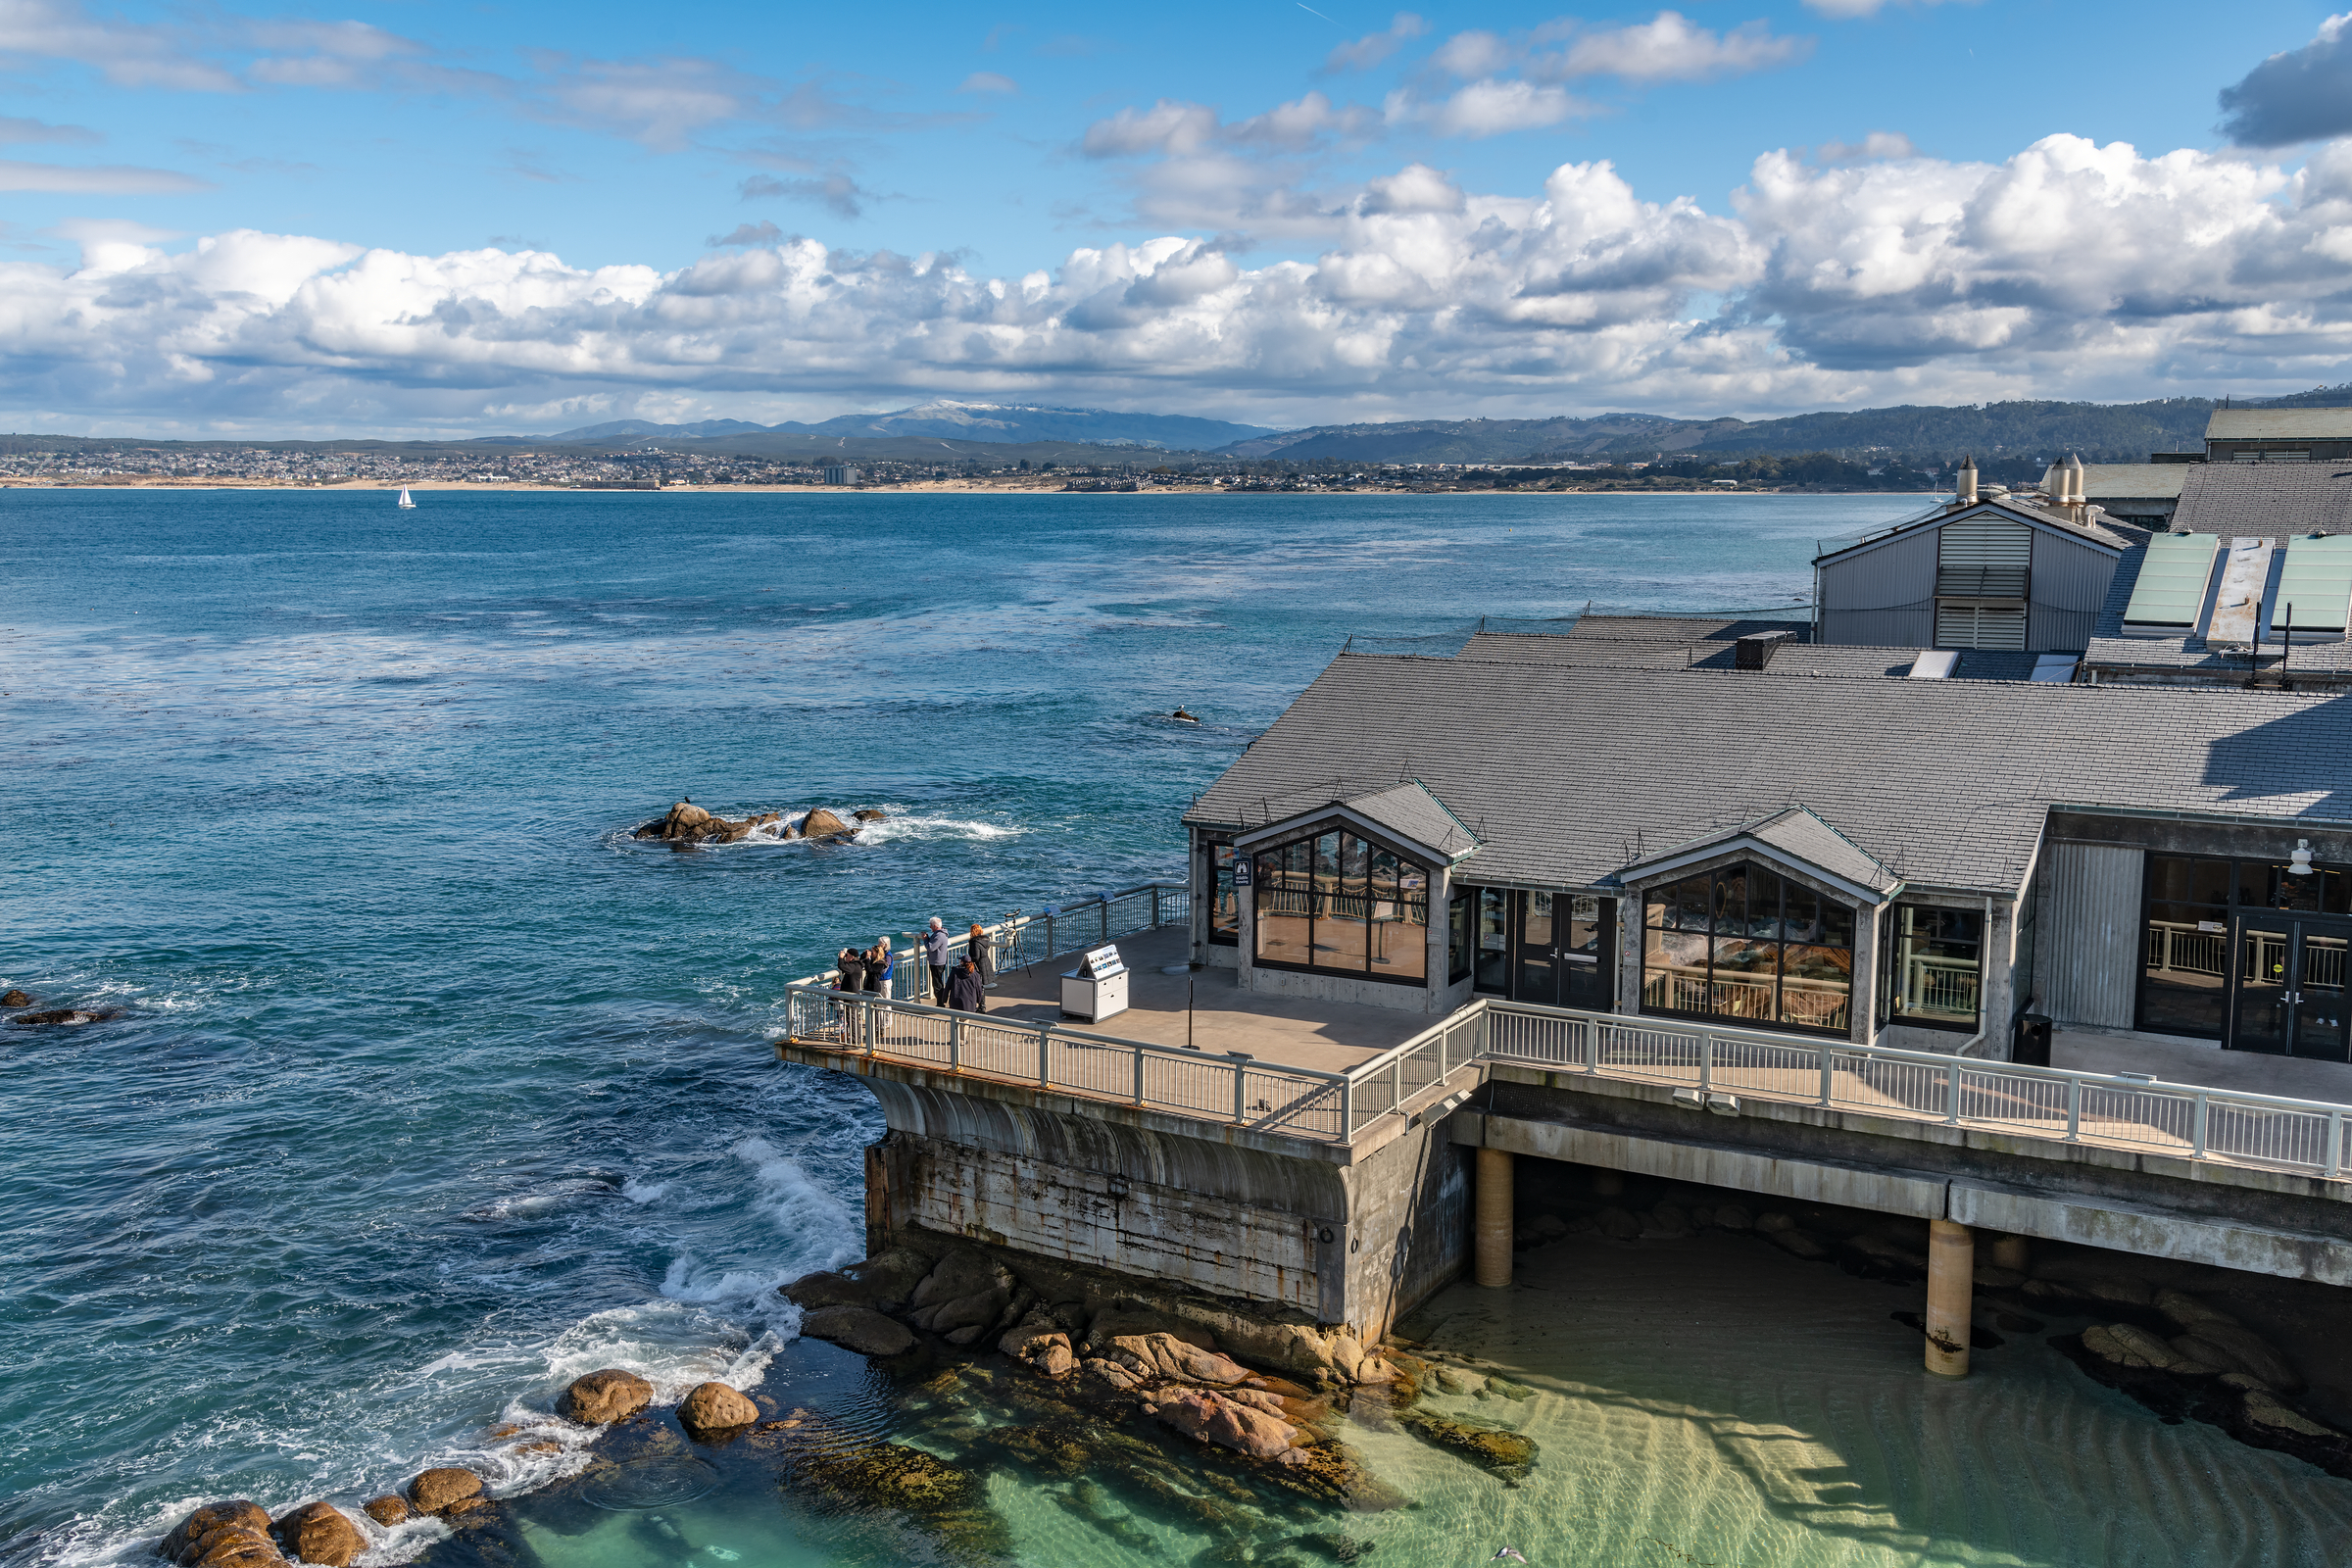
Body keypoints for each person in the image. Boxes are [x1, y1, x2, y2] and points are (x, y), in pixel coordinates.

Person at [921, 917, 952, 1005]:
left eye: (931, 925)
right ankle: (941, 1001)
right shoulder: (941, 934)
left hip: (937, 962)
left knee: (937, 983)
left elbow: (931, 947)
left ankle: (940, 1003)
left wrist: (925, 939)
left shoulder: (939, 936)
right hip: (939, 961)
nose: (930, 927)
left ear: (935, 926)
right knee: (938, 982)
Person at [966, 921, 994, 989]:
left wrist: (969, 961)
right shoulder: (985, 940)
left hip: (979, 965)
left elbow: (976, 956)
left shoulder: (975, 942)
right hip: (986, 962)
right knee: (986, 983)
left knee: (980, 984)